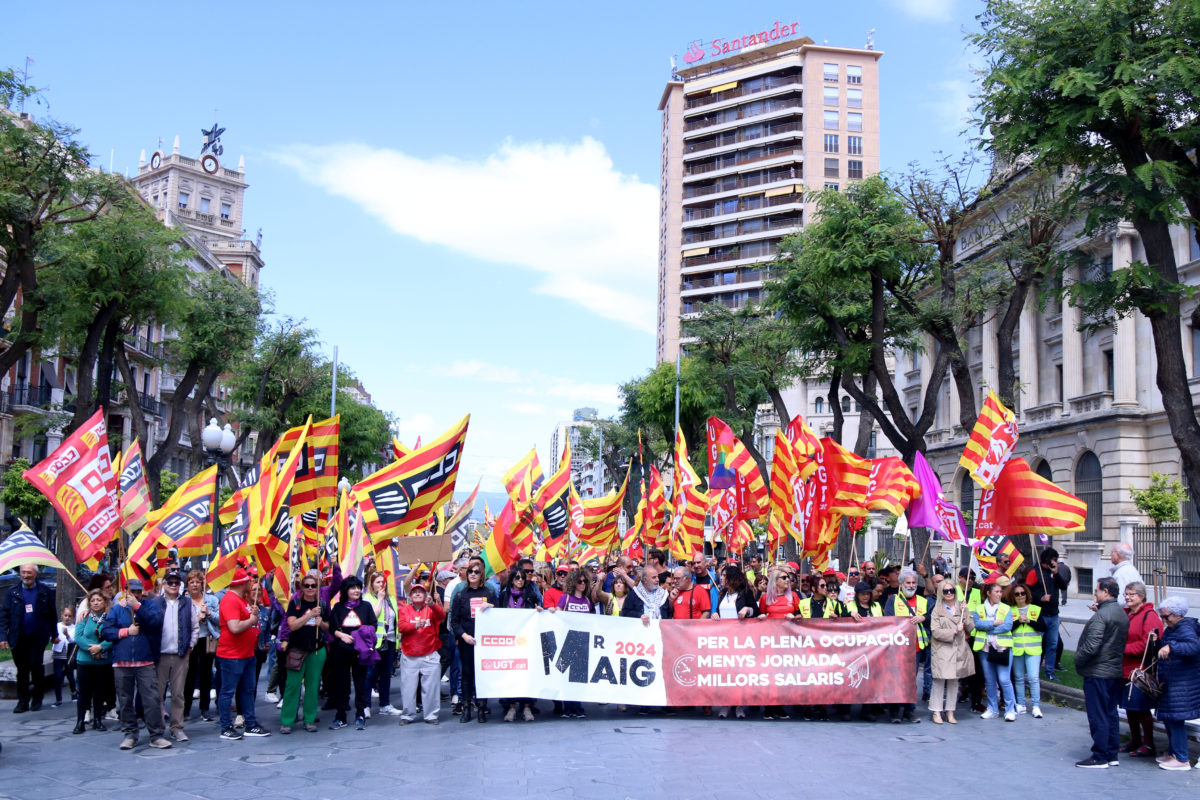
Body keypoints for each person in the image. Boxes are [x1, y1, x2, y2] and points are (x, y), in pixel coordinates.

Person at [101, 578, 171, 750]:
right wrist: (125, 632)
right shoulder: (117, 609)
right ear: (126, 591)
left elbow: (155, 623)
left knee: (152, 699)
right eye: (133, 591)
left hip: (145, 660)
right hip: (122, 662)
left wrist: (137, 607)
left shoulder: (150, 606)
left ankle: (156, 735)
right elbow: (106, 631)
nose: (136, 595)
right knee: (125, 701)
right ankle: (130, 734)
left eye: (139, 592)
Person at [1073, 576, 1129, 768]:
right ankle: (1111, 754)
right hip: (1114, 671)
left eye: (1096, 591)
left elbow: (1091, 646)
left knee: (1099, 715)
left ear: (1106, 592)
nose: (1094, 594)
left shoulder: (1101, 616)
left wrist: (1078, 659)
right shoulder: (1120, 613)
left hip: (1099, 673)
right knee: (1110, 713)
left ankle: (1100, 756)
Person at [216, 568, 271, 741]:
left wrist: (252, 615)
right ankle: (225, 727)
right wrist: (251, 620)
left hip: (246, 653)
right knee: (228, 691)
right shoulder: (230, 600)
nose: (251, 582)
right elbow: (234, 627)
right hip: (232, 655)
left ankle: (250, 724)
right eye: (248, 580)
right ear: (242, 583)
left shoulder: (239, 599)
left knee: (248, 690)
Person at [0, 563, 58, 712]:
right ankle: (22, 701)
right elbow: (4, 616)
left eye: (29, 573)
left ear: (35, 574)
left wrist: (54, 634)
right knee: (22, 670)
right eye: (23, 572)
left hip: (38, 636)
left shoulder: (45, 591)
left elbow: (52, 615)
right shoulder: (13, 592)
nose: (26, 576)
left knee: (35, 666)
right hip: (18, 637)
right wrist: (3, 637)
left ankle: (37, 699)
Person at [1153, 596, 1200, 771]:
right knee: (1168, 717)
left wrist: (1171, 647)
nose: (1164, 620)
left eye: (1167, 617)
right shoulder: (1175, 627)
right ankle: (1174, 753)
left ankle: (1182, 759)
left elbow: (1193, 647)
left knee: (1175, 719)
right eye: (1162, 616)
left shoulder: (1185, 628)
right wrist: (1158, 641)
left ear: (1178, 614)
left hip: (1182, 684)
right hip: (1173, 681)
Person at [280, 570, 329, 734]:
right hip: (297, 650)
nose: (310, 588)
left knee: (313, 686)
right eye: (307, 586)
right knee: (292, 686)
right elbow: (292, 625)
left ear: (317, 588)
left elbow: (328, 627)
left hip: (316, 650)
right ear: (302, 587)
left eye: (313, 586)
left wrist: (321, 622)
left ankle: (310, 719)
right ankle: (287, 720)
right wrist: (309, 616)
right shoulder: (295, 604)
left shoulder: (322, 604)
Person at [328, 576, 378, 731]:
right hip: (341, 650)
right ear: (346, 590)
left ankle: (360, 714)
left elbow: (373, 625)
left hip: (360, 651)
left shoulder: (366, 606)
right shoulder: (338, 607)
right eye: (352, 588)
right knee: (341, 683)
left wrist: (361, 634)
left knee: (360, 682)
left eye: (358, 587)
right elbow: (332, 628)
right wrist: (342, 635)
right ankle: (341, 715)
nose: (356, 590)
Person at [1119, 581, 1162, 758]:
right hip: (1125, 669)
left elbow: (1147, 645)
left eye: (1132, 594)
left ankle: (1149, 744)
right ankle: (1135, 740)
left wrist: (1122, 648)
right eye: (1126, 594)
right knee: (1130, 708)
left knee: (1141, 708)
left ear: (1142, 596)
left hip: (1140, 671)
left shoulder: (1150, 616)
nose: (1128, 597)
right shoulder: (1127, 614)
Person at [450, 561, 495, 723]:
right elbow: (454, 621)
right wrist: (463, 636)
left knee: (483, 675)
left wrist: (491, 606)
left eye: (476, 572)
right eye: (470, 572)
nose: (473, 574)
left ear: (481, 574)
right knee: (467, 674)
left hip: (485, 642)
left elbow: (500, 615)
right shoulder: (461, 594)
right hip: (467, 641)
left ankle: (482, 708)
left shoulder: (489, 592)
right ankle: (466, 708)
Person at [397, 580, 447, 725]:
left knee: (431, 688)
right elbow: (401, 626)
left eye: (421, 592)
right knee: (408, 688)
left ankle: (431, 715)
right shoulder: (404, 610)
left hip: (429, 654)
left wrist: (433, 604)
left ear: (426, 596)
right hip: (409, 655)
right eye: (414, 592)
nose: (418, 594)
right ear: (410, 596)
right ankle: (407, 715)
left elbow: (441, 616)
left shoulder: (431, 608)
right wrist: (414, 625)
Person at [157, 569, 198, 742]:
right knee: (157, 694)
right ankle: (158, 728)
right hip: (160, 655)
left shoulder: (187, 603)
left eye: (176, 583)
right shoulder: (156, 603)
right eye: (170, 582)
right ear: (164, 584)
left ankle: (177, 727)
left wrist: (190, 645)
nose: (173, 585)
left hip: (181, 654)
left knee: (178, 694)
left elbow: (195, 627)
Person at [884, 568, 929, 724]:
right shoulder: (893, 600)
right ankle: (895, 711)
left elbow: (930, 619)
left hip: (916, 648)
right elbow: (889, 620)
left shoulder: (923, 601)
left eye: (913, 583)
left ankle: (909, 711)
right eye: (908, 583)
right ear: (901, 584)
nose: (911, 585)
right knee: (896, 679)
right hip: (897, 648)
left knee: (912, 680)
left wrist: (924, 617)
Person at [713, 565, 756, 720]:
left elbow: (755, 610)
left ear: (732, 578)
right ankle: (725, 703)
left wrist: (746, 610)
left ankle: (739, 704)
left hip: (741, 640)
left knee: (739, 673)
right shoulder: (722, 594)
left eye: (724, 575)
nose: (721, 578)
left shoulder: (745, 593)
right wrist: (715, 614)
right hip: (724, 640)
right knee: (726, 673)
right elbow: (719, 610)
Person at [971, 576, 1016, 722]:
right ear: (989, 593)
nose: (999, 594)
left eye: (1000, 592)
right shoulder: (979, 609)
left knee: (1004, 679)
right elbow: (977, 624)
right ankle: (992, 708)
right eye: (996, 591)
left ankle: (1010, 709)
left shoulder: (1006, 608)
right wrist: (993, 623)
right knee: (989, 680)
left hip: (1002, 647)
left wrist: (988, 627)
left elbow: (1007, 626)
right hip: (985, 648)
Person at [929, 580, 974, 724]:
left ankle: (950, 711)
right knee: (939, 681)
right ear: (941, 593)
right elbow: (935, 631)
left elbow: (971, 628)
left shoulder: (961, 608)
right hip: (942, 649)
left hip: (958, 649)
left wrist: (966, 612)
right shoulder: (937, 610)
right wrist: (954, 631)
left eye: (952, 590)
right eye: (946, 591)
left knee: (954, 681)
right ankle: (936, 711)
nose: (949, 593)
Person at [758, 569, 799, 720]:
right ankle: (769, 706)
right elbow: (761, 614)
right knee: (770, 674)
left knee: (784, 673)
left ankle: (780, 706)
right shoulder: (765, 598)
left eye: (788, 578)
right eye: (784, 578)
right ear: (775, 581)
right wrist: (760, 617)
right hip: (771, 641)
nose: (788, 580)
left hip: (788, 641)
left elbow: (800, 615)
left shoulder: (793, 596)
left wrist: (794, 617)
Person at [1025, 547, 1070, 681]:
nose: (1055, 562)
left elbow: (1063, 586)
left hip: (1053, 614)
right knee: (1038, 644)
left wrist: (1056, 573)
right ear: (1047, 560)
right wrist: (1040, 597)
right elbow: (1026, 591)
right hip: (1040, 614)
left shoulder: (1054, 572)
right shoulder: (1034, 572)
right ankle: (1034, 669)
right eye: (1054, 559)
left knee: (1053, 644)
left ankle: (1050, 671)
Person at [73, 589, 113, 734]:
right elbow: (78, 636)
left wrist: (101, 647)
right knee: (83, 692)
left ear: (105, 602)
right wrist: (91, 649)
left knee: (99, 691)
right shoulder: (84, 617)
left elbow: (113, 636)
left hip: (102, 661)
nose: (96, 603)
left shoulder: (110, 617)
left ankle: (98, 719)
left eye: (99, 600)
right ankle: (80, 721)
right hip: (85, 660)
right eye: (93, 600)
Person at [182, 570, 218, 722]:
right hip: (191, 640)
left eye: (197, 582)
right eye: (192, 582)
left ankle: (205, 708)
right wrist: (197, 619)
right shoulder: (183, 602)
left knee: (206, 675)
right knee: (188, 675)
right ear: (187, 585)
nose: (195, 585)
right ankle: (186, 708)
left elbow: (219, 619)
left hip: (207, 640)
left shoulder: (211, 600)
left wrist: (208, 613)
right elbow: (181, 624)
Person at [365, 571, 400, 716]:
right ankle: (365, 705)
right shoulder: (367, 598)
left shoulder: (391, 599)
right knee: (370, 674)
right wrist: (379, 599)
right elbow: (372, 616)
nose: (381, 585)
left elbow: (395, 619)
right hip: (374, 642)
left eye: (383, 582)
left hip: (390, 641)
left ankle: (384, 704)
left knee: (386, 674)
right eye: (378, 582)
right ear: (372, 584)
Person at [1007, 582, 1044, 719]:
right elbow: (1008, 628)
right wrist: (1018, 621)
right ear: (1014, 596)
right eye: (1017, 594)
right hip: (1017, 649)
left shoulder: (1036, 609)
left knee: (1034, 678)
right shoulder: (1011, 611)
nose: (1020, 596)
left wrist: (1029, 621)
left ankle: (1036, 705)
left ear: (1026, 594)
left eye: (1022, 593)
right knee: (1018, 678)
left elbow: (1043, 627)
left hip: (1033, 649)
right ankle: (1021, 704)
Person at [52, 606, 77, 707]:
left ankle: (74, 692)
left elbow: (73, 641)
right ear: (62, 615)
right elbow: (52, 637)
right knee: (57, 677)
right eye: (65, 615)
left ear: (73, 617)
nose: (67, 618)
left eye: (70, 616)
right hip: (58, 654)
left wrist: (67, 635)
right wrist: (54, 639)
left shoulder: (74, 628)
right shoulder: (57, 626)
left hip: (68, 655)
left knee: (70, 675)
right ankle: (58, 699)